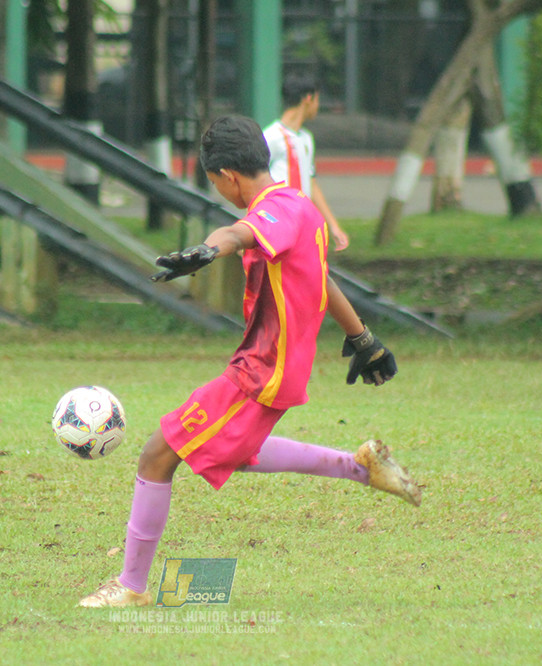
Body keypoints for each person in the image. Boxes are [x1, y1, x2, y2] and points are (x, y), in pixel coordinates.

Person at [78, 115, 419, 609]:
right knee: (242, 451)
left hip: (262, 372)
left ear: (228, 176)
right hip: (268, 367)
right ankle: (361, 467)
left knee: (156, 455)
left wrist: (207, 250)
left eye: (215, 183)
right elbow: (321, 279)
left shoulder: (275, 209)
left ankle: (130, 587)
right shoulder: (302, 207)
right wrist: (363, 340)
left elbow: (238, 233)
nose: (219, 191)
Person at [263, 73, 350, 251]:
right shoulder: (271, 137)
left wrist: (333, 225)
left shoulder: (306, 138)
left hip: (303, 224)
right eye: (318, 99)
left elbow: (310, 182)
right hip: (279, 225)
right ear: (309, 98)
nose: (318, 106)